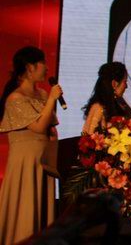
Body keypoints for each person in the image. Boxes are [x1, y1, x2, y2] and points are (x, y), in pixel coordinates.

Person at [0, 46, 62, 245]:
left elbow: (50, 127)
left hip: (44, 161)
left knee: (41, 208)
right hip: (25, 163)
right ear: (30, 68)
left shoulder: (42, 94)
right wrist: (52, 98)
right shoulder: (15, 98)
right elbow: (38, 127)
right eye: (43, 63)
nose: (46, 68)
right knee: (25, 206)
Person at [81, 62, 128, 135]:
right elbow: (89, 138)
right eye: (124, 81)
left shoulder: (118, 105)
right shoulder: (98, 108)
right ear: (114, 84)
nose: (126, 86)